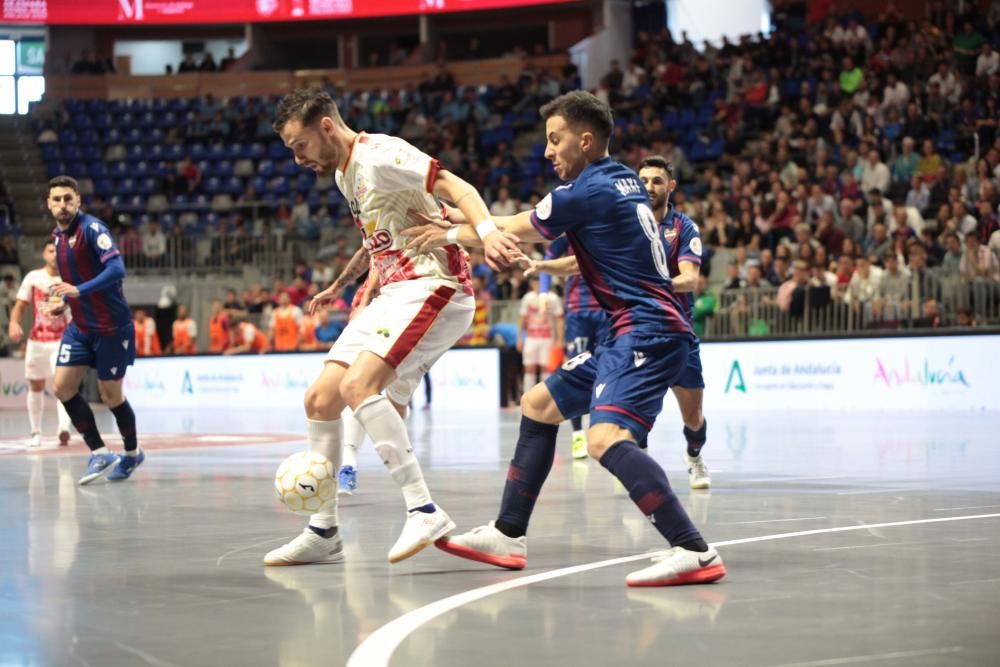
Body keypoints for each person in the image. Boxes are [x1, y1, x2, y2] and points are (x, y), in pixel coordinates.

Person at [404, 91, 725, 586]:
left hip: (646, 329)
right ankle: (509, 533)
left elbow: (513, 229)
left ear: (586, 139)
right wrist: (459, 224)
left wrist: (450, 230)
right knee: (537, 404)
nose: (548, 151)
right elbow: (533, 237)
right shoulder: (620, 180)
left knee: (603, 438)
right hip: (630, 329)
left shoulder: (586, 191)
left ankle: (693, 549)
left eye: (556, 140)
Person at [262, 88, 520, 567]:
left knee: (360, 387)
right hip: (393, 292)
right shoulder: (344, 174)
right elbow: (379, 239)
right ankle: (323, 531)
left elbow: (458, 189)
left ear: (325, 127)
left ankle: (424, 509)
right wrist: (350, 284)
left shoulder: (382, 154)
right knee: (320, 399)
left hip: (435, 283)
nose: (296, 158)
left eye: (298, 145)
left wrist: (489, 234)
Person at [525, 156, 712, 490]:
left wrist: (650, 283)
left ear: (671, 187)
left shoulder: (683, 227)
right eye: (643, 180)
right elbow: (583, 263)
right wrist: (542, 267)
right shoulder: (626, 221)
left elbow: (690, 279)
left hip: (674, 332)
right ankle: (635, 467)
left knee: (693, 418)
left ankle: (694, 455)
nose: (649, 187)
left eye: (657, 181)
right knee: (628, 411)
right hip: (636, 333)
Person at [46, 176, 142, 484]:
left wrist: (76, 290)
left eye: (68, 199)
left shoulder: (92, 229)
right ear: (49, 204)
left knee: (110, 395)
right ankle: (99, 451)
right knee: (62, 387)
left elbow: (117, 270)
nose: (63, 204)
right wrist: (66, 302)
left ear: (78, 201)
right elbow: (75, 281)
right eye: (57, 199)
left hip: (112, 328)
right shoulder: (58, 237)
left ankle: (131, 453)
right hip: (81, 326)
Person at [535, 235, 604, 460]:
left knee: (611, 368)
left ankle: (616, 433)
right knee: (576, 370)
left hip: (608, 310)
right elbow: (548, 258)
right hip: (578, 312)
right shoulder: (570, 235)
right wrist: (544, 292)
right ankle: (577, 434)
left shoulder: (610, 225)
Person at [8, 241, 73, 448]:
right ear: (44, 254)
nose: (54, 254)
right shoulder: (33, 278)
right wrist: (14, 323)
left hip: (62, 340)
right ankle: (36, 432)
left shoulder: (70, 279)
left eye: (57, 251)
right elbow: (20, 305)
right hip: (36, 341)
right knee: (35, 386)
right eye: (50, 251)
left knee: (62, 385)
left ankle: (64, 428)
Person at [517, 275, 563, 400]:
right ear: (531, 283)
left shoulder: (553, 298)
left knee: (546, 367)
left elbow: (559, 319)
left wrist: (559, 340)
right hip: (531, 337)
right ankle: (527, 396)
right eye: (535, 280)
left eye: (539, 280)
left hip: (548, 337)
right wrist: (519, 337)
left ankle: (546, 396)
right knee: (529, 366)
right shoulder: (527, 298)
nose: (537, 283)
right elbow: (523, 318)